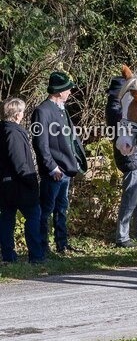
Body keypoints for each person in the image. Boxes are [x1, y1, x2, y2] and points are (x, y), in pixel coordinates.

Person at [31, 71, 84, 255]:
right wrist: (52, 167)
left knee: (62, 209)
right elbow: (40, 144)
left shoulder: (62, 109)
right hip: (54, 171)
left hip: (66, 169)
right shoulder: (42, 111)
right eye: (68, 89)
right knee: (45, 210)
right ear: (60, 91)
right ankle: (42, 247)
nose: (70, 92)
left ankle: (62, 244)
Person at [105, 77, 137, 248]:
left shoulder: (118, 106)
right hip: (131, 156)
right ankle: (122, 236)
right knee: (131, 197)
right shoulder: (116, 108)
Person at [0, 98, 44, 263]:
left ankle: (8, 256)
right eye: (22, 111)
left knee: (7, 219)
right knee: (33, 216)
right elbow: (19, 162)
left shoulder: (4, 130)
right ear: (17, 114)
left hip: (6, 185)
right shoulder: (13, 133)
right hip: (19, 185)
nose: (23, 114)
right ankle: (36, 256)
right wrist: (31, 181)